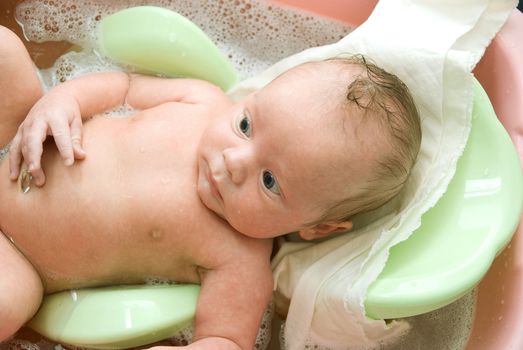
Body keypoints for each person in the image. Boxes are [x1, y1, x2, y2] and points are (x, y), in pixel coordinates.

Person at [0, 25, 421, 350]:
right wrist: (60, 103)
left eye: (269, 181)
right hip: (15, 134)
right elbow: (123, 87)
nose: (233, 162)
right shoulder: (202, 100)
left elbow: (227, 339)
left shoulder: (238, 260)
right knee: (5, 50)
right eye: (246, 125)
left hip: (17, 255)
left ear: (317, 227)